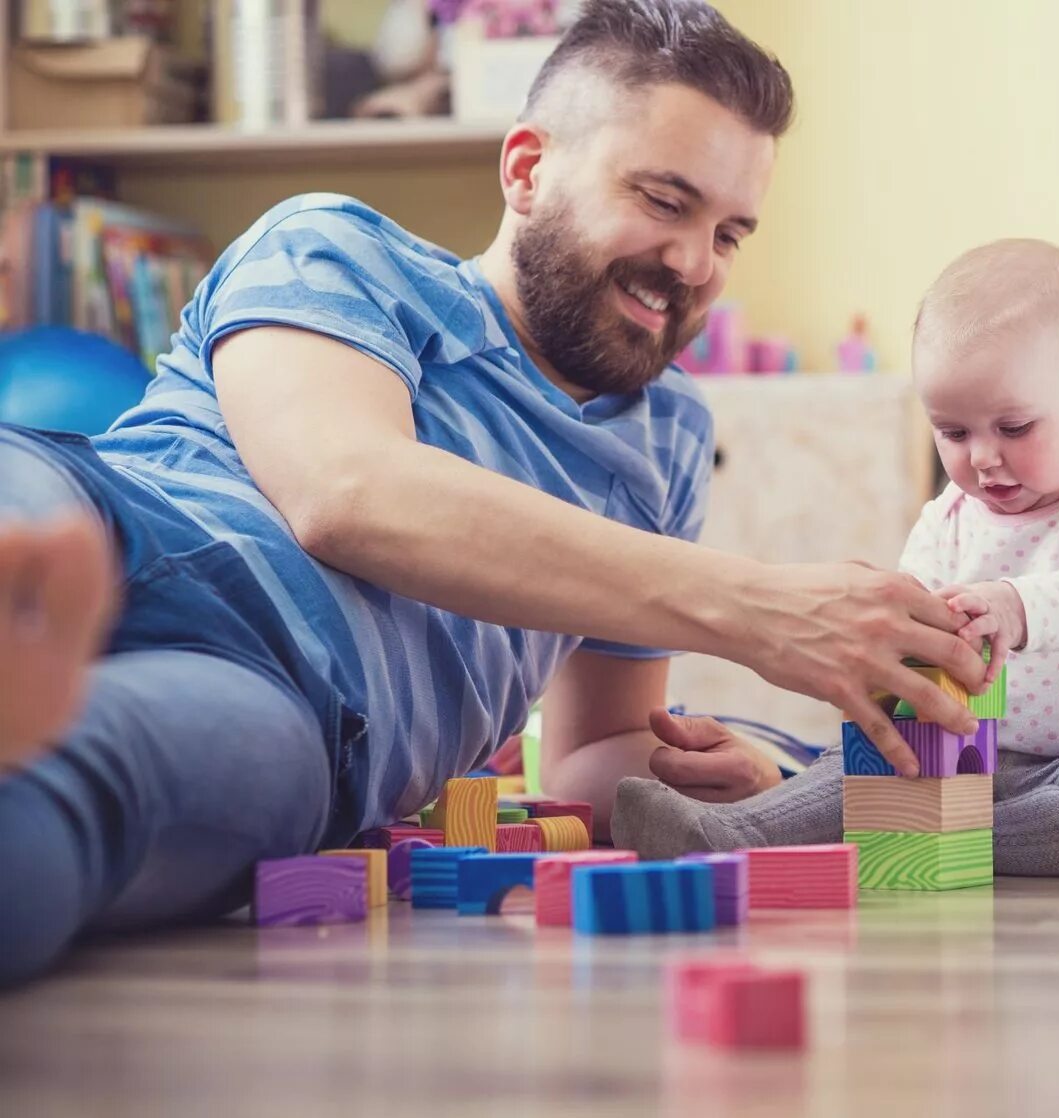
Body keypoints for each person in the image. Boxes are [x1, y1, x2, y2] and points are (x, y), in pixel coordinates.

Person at [0, 0, 983, 986]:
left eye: (729, 233)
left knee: (79, 792)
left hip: (299, 704)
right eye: (665, 200)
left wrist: (746, 783)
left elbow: (594, 748)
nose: (694, 263)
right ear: (527, 168)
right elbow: (344, 489)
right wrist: (755, 606)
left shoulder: (666, 436)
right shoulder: (339, 246)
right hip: (119, 514)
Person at [613, 239, 1059, 875]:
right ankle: (733, 831)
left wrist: (1014, 606)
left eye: (1013, 428)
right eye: (953, 432)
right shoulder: (947, 516)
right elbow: (903, 630)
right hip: (960, 752)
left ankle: (932, 839)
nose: (981, 458)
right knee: (862, 760)